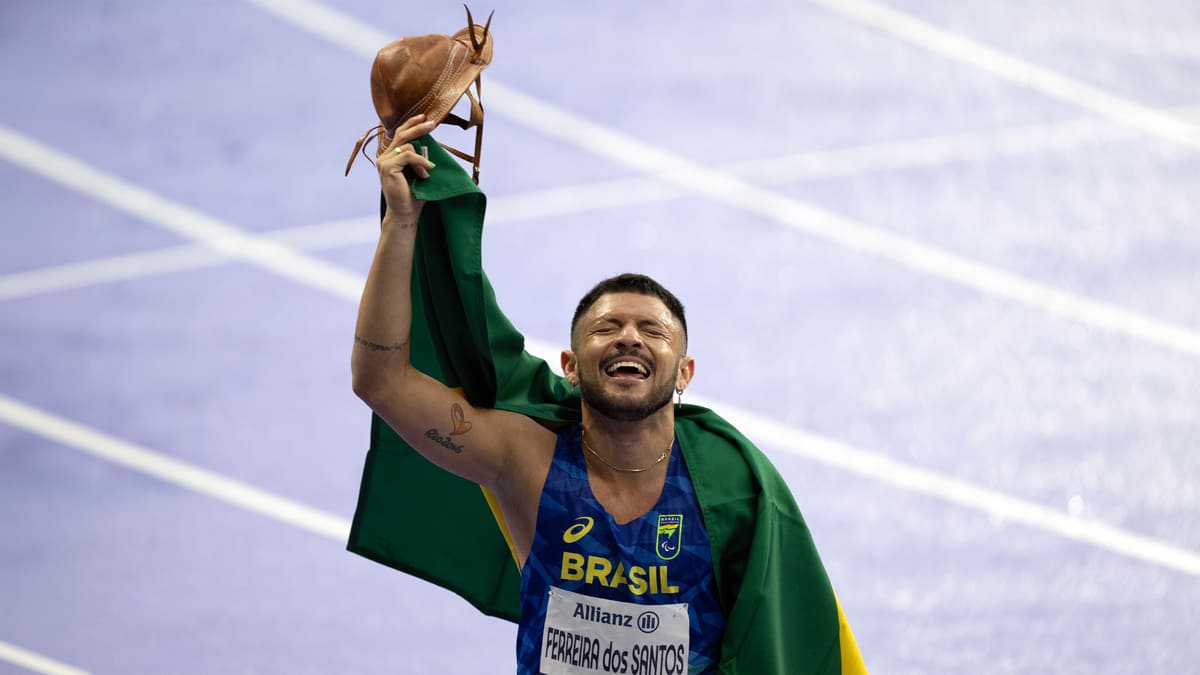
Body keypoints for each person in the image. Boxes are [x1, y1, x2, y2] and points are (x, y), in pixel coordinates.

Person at [350, 114, 866, 674]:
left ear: (685, 371)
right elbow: (382, 382)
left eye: (653, 331)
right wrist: (402, 224)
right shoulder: (526, 460)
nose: (628, 337)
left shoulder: (730, 485)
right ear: (570, 366)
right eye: (606, 328)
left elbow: (782, 628)